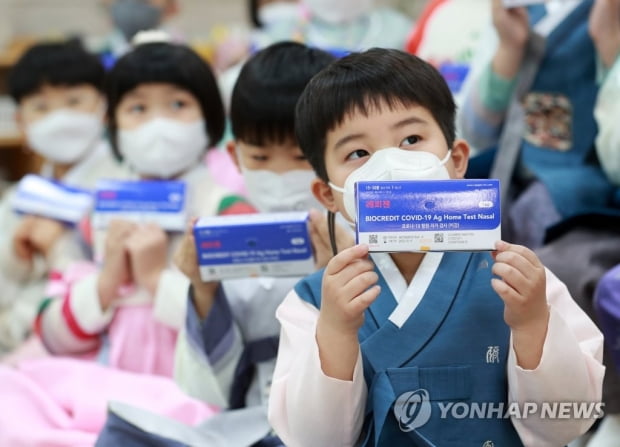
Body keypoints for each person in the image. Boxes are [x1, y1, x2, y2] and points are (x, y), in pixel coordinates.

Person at [267, 48, 604, 446]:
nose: (390, 166)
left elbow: (568, 422)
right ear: (327, 193)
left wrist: (532, 323)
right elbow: (315, 441)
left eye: (411, 138)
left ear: (457, 160)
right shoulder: (311, 303)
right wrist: (337, 331)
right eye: (358, 153)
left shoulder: (520, 281)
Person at [94, 41, 353, 447]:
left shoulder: (363, 242)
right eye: (261, 158)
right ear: (235, 155)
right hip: (249, 423)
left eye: (301, 158)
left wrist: (330, 277)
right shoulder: (230, 238)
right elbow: (206, 389)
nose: (281, 176)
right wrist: (203, 289)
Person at [0, 37, 248, 446]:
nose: (157, 123)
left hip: (194, 395)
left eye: (177, 105)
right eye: (137, 108)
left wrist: (155, 281)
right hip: (101, 384)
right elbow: (53, 332)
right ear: (112, 125)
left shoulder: (228, 212)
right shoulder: (97, 215)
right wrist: (106, 281)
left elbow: (240, 333)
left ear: (209, 119)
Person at [0, 39, 125, 356]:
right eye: (41, 107)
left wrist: (62, 247)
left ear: (104, 109)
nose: (60, 118)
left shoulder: (126, 187)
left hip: (94, 349)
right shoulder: (18, 198)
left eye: (74, 101)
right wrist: (17, 258)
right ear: (21, 122)